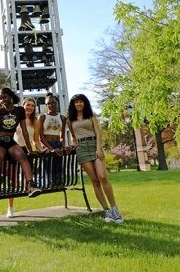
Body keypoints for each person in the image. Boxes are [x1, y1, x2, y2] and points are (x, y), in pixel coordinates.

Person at [66, 94, 123, 224]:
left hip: (94, 145)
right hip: (82, 149)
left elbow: (98, 133)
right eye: (76, 102)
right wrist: (75, 145)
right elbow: (74, 136)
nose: (79, 104)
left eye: (81, 102)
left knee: (102, 176)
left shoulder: (91, 116)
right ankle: (107, 211)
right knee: (95, 181)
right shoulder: (70, 120)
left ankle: (115, 209)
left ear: (85, 103)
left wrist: (99, 149)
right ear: (73, 105)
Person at [0, 87, 41, 201]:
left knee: (22, 155)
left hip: (11, 141)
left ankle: (31, 185)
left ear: (11, 97)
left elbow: (24, 131)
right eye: (0, 99)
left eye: (4, 97)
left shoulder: (19, 111)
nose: (2, 100)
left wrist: (29, 149)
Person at [7, 97, 42, 218]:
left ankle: (30, 188)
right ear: (23, 106)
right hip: (14, 150)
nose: (30, 108)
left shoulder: (35, 121)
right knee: (13, 181)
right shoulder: (16, 118)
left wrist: (42, 149)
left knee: (26, 180)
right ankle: (10, 208)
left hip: (27, 152)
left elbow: (36, 140)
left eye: (32, 106)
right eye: (28, 105)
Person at [38, 92, 67, 186]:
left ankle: (59, 185)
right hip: (47, 145)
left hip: (58, 144)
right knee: (48, 170)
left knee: (58, 170)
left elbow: (62, 136)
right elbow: (40, 137)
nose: (51, 105)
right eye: (48, 103)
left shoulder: (62, 118)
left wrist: (63, 146)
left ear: (57, 103)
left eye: (53, 103)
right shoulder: (42, 117)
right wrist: (51, 149)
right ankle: (49, 186)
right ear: (46, 105)